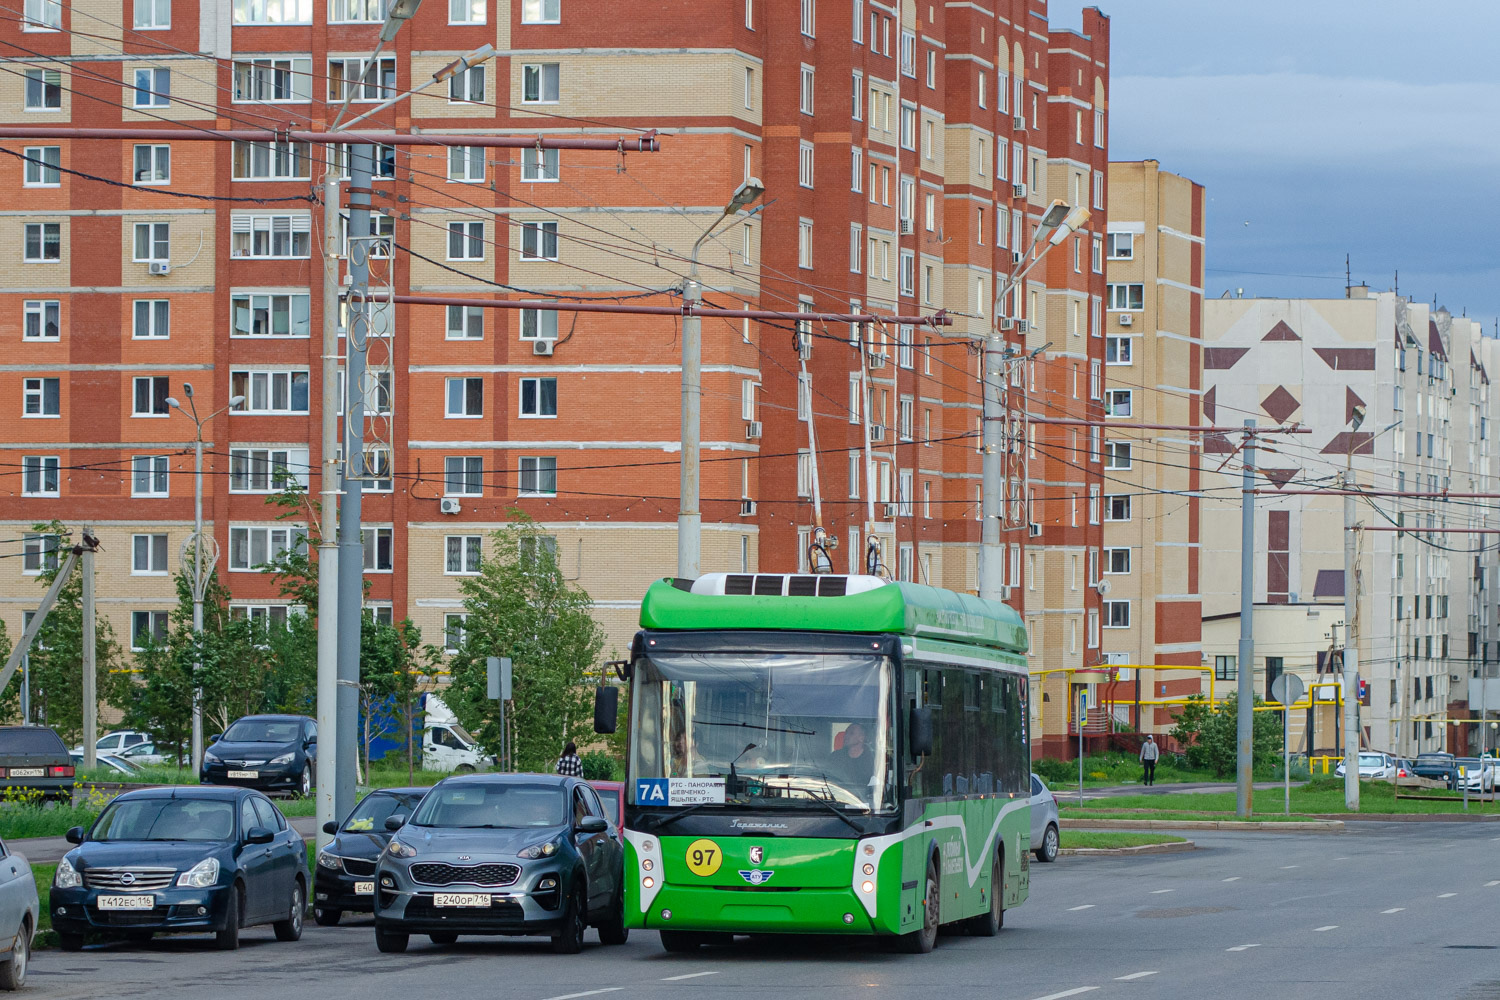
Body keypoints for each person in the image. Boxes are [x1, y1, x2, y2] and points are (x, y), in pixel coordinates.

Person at [829, 723, 875, 796]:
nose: (846, 736)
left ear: (861, 738)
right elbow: (828, 779)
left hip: (866, 801)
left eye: (851, 733)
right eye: (846, 733)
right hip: (838, 799)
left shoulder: (873, 758)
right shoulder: (835, 756)